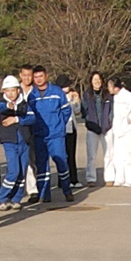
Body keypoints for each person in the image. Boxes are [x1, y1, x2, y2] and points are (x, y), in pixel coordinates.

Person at [31, 68, 76, 204]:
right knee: (41, 165)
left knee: (61, 161)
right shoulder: (32, 95)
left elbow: (66, 110)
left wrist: (59, 125)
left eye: (41, 76)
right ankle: (44, 195)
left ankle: (67, 191)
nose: (39, 79)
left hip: (56, 135)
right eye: (36, 77)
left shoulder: (57, 92)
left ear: (46, 76)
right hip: (39, 136)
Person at [0, 74, 31, 207]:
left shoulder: (25, 104)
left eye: (13, 90)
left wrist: (16, 119)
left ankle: (16, 199)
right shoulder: (1, 103)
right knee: (13, 171)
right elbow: (1, 108)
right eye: (7, 90)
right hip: (9, 141)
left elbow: (32, 118)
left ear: (18, 90)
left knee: (22, 171)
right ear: (4, 91)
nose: (10, 93)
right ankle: (2, 198)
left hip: (24, 141)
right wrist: (10, 106)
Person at [103, 76, 131, 185]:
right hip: (118, 130)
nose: (108, 88)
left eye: (110, 86)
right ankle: (119, 178)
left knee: (129, 154)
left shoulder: (128, 96)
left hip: (128, 130)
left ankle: (130, 179)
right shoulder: (114, 97)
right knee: (118, 155)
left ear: (116, 87)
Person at [77, 74, 112, 186]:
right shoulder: (87, 95)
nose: (97, 81)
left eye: (99, 79)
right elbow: (84, 110)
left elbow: (112, 110)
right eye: (94, 79)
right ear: (91, 81)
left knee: (109, 154)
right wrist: (89, 121)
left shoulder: (108, 95)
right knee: (91, 156)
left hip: (106, 128)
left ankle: (110, 177)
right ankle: (91, 178)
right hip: (92, 129)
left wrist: (109, 122)